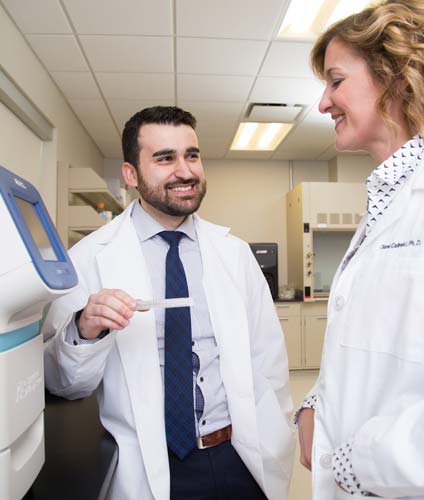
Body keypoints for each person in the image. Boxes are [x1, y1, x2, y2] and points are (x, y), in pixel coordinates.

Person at [297, 1, 424, 499]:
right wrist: (317, 400)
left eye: (336, 81)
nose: (323, 103)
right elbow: (381, 346)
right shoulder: (386, 204)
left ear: (394, 78)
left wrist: (355, 462)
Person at [42, 106, 295, 500]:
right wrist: (84, 330)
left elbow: (270, 363)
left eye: (191, 155)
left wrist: (276, 437)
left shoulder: (234, 254)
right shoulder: (89, 259)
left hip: (239, 457)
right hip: (148, 464)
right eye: (165, 158)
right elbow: (64, 384)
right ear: (131, 174)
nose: (185, 171)